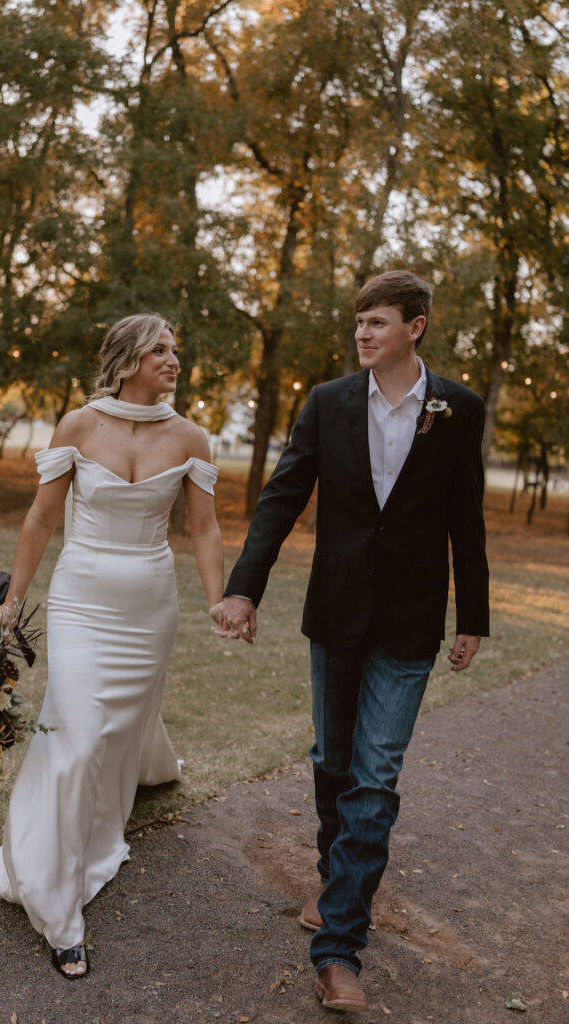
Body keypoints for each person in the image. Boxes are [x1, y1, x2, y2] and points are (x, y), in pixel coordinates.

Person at [218, 271, 489, 1013]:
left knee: (374, 777)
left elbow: (465, 515)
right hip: (334, 612)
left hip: (409, 622)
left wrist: (473, 615)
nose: (362, 334)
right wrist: (243, 588)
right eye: (359, 323)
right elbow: (280, 497)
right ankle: (337, 874)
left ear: (415, 327)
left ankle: (338, 948)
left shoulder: (456, 408)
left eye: (376, 322)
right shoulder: (327, 402)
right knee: (333, 762)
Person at [0, 313, 224, 978]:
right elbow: (41, 516)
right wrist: (12, 599)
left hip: (150, 607)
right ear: (126, 361)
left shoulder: (190, 437)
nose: (174, 361)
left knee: (118, 728)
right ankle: (58, 912)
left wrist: (216, 599)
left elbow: (202, 529)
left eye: (175, 350)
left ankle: (145, 771)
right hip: (82, 599)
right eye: (160, 351)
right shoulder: (77, 427)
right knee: (78, 736)